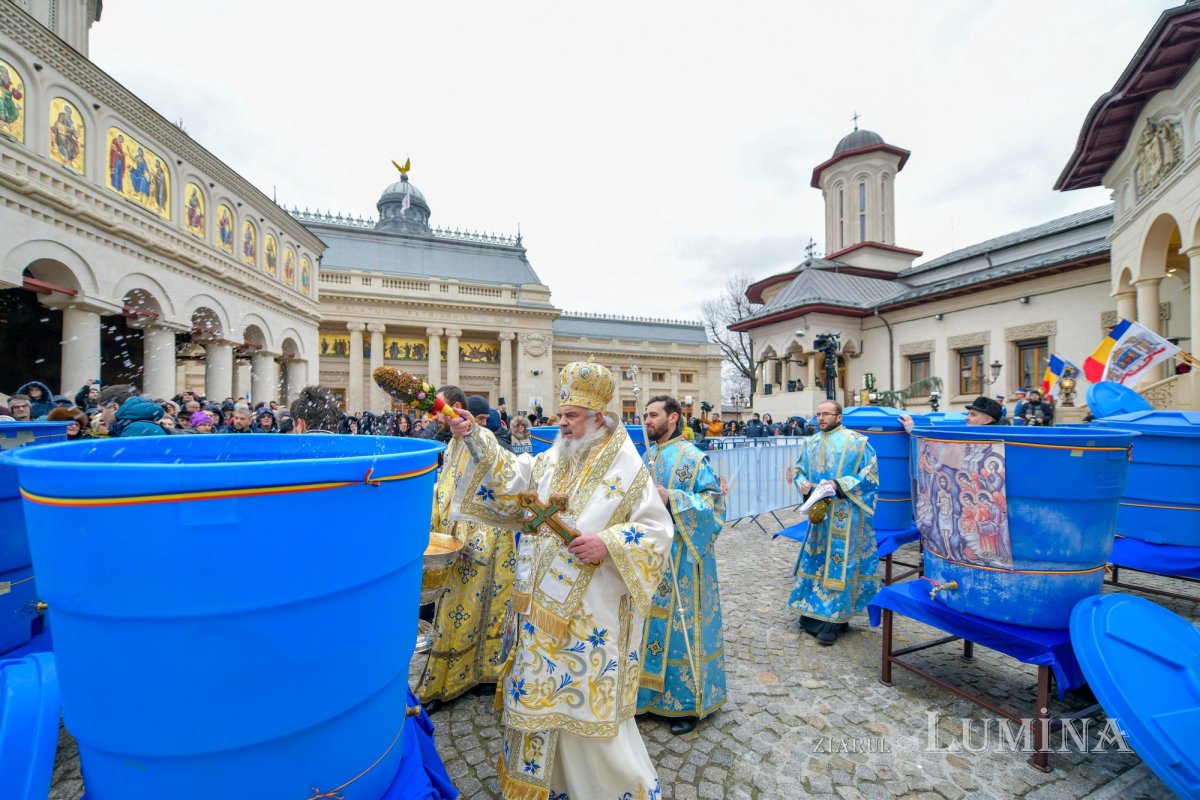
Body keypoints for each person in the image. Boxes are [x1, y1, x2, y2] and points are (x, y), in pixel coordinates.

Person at [444, 360, 672, 799]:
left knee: (584, 709)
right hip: (537, 612)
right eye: (561, 414)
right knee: (540, 704)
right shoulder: (552, 460)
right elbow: (513, 479)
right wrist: (475, 437)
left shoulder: (628, 470)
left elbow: (657, 532)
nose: (561, 423)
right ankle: (545, 786)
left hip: (592, 615)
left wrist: (609, 543)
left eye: (571, 416)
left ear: (599, 419)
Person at [417, 386, 517, 714]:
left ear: (456, 409)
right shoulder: (451, 443)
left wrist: (472, 428)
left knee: (477, 612)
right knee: (459, 612)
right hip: (457, 540)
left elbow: (491, 457)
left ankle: (478, 677)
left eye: (437, 411)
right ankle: (455, 678)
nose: (432, 418)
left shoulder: (483, 438)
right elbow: (446, 487)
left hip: (485, 541)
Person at [636, 396, 726, 735]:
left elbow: (714, 505)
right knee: (649, 627)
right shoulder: (648, 457)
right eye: (645, 415)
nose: (647, 420)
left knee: (681, 628)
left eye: (653, 415)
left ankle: (686, 703)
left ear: (673, 418)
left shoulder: (693, 458)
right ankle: (646, 695)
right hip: (652, 556)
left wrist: (672, 497)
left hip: (683, 556)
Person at [789, 400, 878, 646]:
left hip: (845, 513)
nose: (820, 418)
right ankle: (812, 613)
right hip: (819, 513)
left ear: (839, 416)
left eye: (826, 413)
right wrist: (802, 484)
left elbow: (869, 475)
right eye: (817, 413)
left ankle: (835, 620)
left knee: (839, 565)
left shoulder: (858, 442)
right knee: (817, 560)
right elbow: (798, 471)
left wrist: (839, 485)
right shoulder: (810, 442)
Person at [98, 385, 166, 437]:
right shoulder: (135, 426)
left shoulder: (137, 429)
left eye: (101, 411)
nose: (100, 418)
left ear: (115, 407)